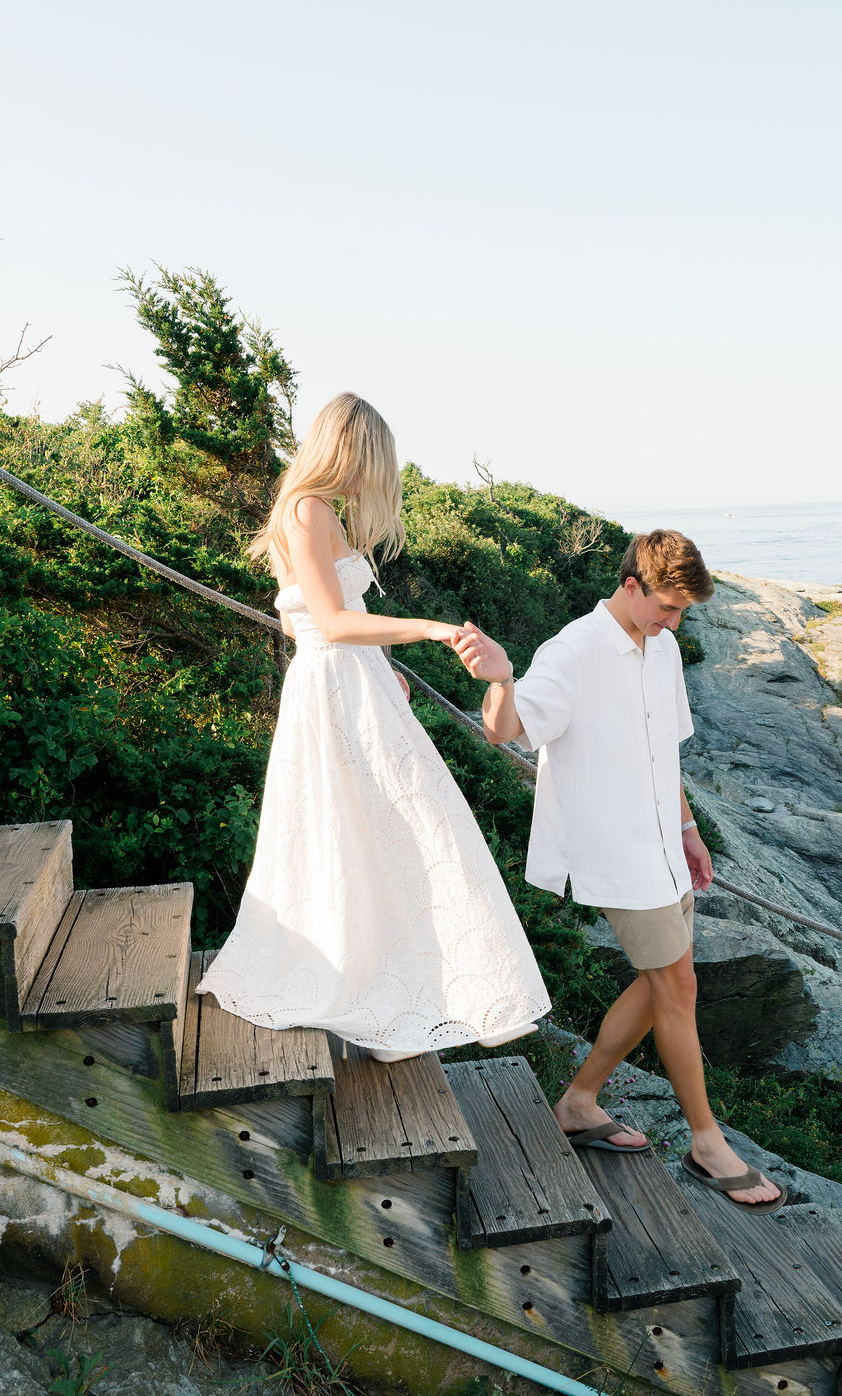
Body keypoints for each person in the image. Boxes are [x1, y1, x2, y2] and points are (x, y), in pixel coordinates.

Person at [197, 393, 550, 1059]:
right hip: (334, 687)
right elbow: (326, 623)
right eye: (372, 461)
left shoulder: (314, 511)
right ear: (348, 451)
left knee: (384, 829)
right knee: (378, 827)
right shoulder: (305, 509)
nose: (375, 477)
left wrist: (381, 666)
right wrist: (429, 629)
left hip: (353, 684)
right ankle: (371, 976)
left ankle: (397, 975)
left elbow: (311, 619)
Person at [454, 530, 785, 1211]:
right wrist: (499, 679)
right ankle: (706, 1141)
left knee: (665, 982)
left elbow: (665, 752)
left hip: (664, 844)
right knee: (679, 990)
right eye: (667, 606)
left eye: (683, 612)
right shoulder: (571, 650)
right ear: (631, 584)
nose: (674, 622)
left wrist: (690, 830)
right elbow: (504, 728)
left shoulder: (660, 648)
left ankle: (578, 1100)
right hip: (616, 850)